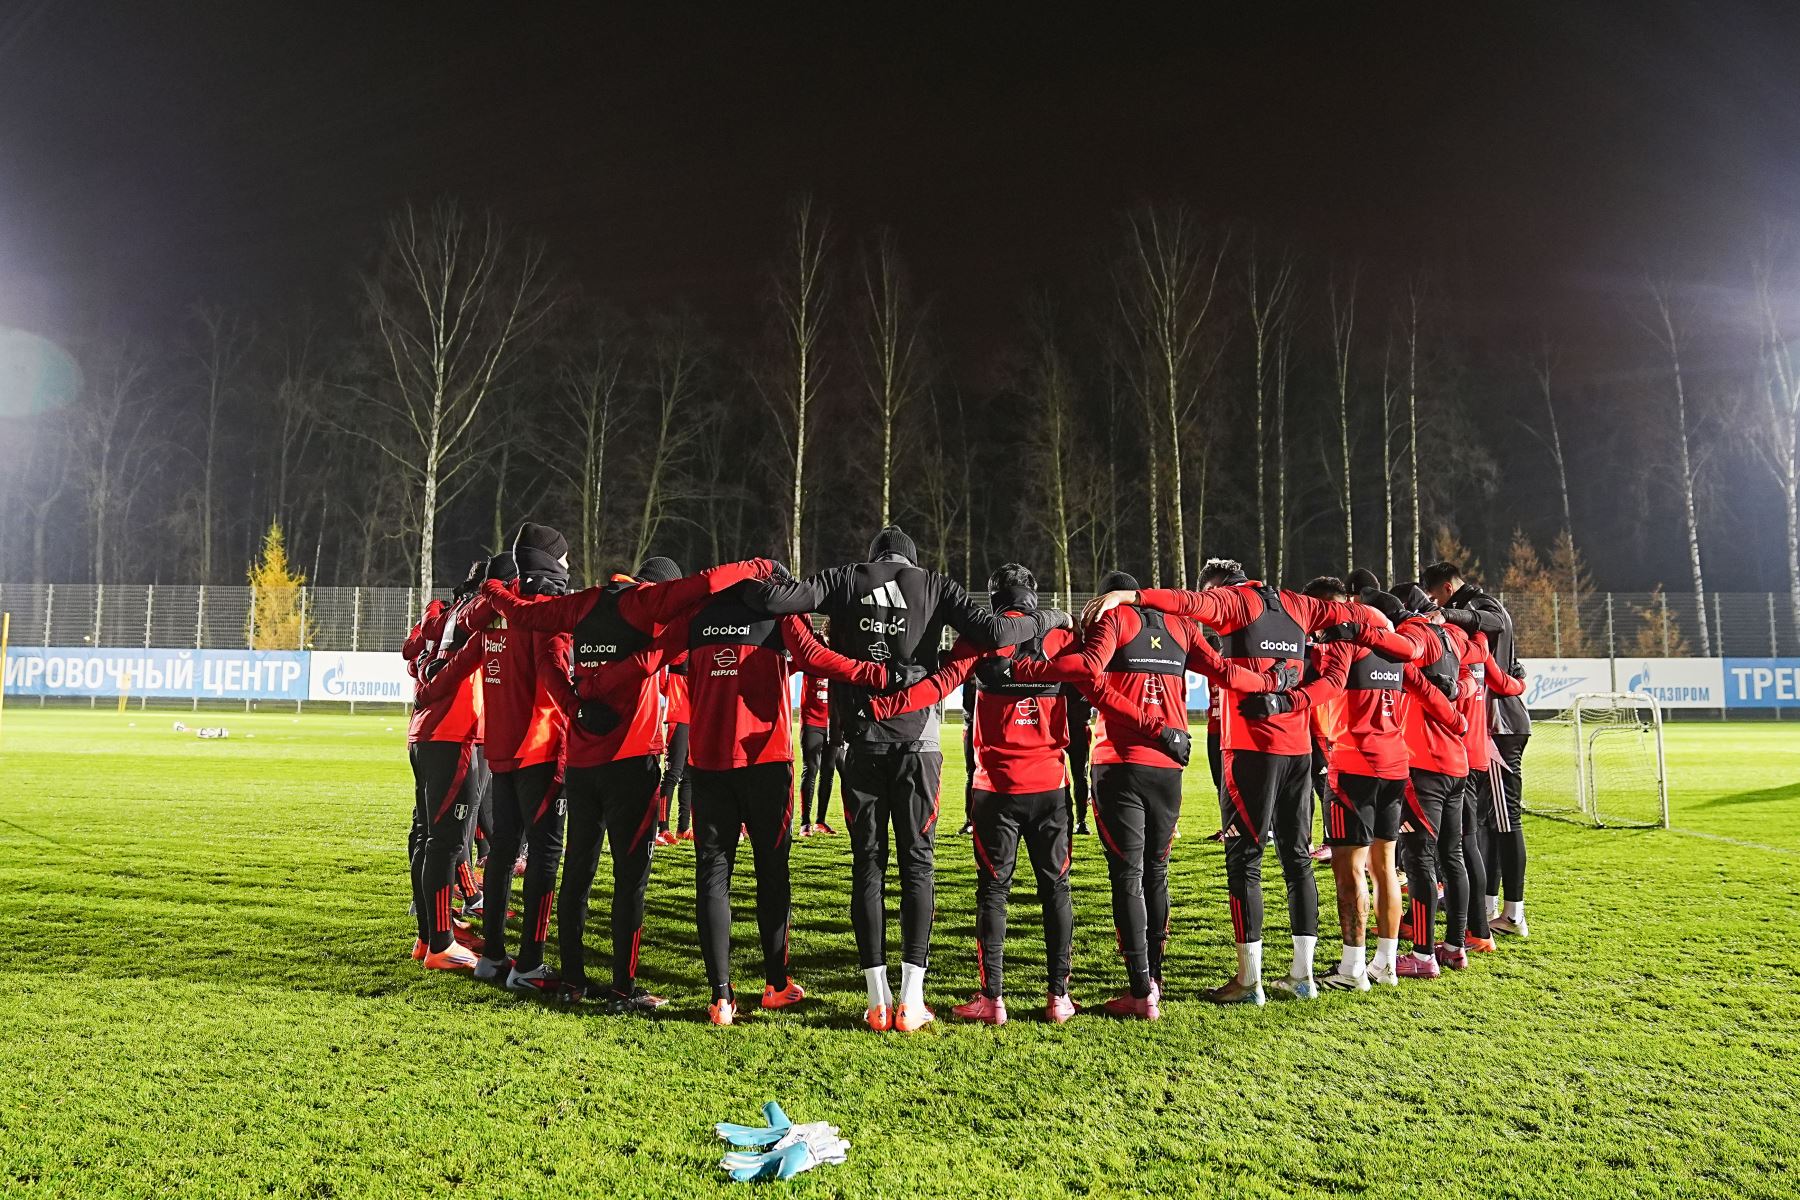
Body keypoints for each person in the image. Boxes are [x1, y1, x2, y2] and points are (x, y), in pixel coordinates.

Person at [741, 525, 1065, 1033]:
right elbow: (999, 635)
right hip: (920, 745)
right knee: (918, 865)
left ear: (876, 557)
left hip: (860, 744)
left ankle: (877, 999)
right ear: (911, 561)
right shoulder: (935, 586)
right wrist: (1045, 618)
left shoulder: (846, 578)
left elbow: (782, 603)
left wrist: (766, 574)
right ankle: (912, 1002)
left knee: (867, 866)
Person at [1082, 558, 1414, 1005]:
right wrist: (1380, 637)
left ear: (1220, 586)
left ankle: (1249, 981)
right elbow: (1361, 628)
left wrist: (1134, 597)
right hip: (1299, 751)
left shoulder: (1235, 602)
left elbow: (1188, 602)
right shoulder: (1298, 604)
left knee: (1245, 863)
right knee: (1297, 861)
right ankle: (1303, 976)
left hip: (1251, 751)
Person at [481, 552, 779, 1010]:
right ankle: (623, 987)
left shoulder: (582, 603)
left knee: (577, 873)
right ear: (658, 588)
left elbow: (522, 616)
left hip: (581, 763)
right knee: (629, 880)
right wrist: (756, 567)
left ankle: (574, 980)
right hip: (631, 764)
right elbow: (704, 584)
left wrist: (495, 589)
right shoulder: (649, 605)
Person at [994, 568, 1289, 1016]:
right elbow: (1226, 671)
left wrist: (1030, 668)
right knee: (1158, 871)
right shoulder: (1182, 625)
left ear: (1108, 597)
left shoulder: (1114, 621)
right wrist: (1276, 682)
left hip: (1120, 763)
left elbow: (1090, 677)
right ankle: (1156, 978)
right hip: (1169, 767)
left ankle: (1139, 991)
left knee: (1128, 875)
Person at [655, 580, 913, 1026]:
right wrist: (879, 674)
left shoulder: (695, 616)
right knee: (772, 872)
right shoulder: (778, 611)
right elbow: (814, 659)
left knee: (713, 875)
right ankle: (775, 984)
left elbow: (657, 652)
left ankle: (721, 998)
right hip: (766, 761)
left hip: (710, 761)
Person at [864, 564, 1103, 1026]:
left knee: (993, 891)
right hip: (1051, 786)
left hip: (994, 788)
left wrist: (889, 704)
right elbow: (1097, 683)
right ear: (1033, 593)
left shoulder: (980, 640)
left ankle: (993, 1000)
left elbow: (938, 685)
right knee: (1056, 889)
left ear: (995, 599)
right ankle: (1059, 998)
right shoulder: (1059, 638)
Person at [458, 524, 577, 995]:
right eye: (564, 561)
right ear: (550, 563)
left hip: (503, 748)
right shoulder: (547, 611)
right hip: (543, 747)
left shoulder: (493, 613)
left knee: (503, 853)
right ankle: (529, 963)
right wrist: (580, 712)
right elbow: (552, 668)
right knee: (546, 855)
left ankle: (491, 956)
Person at [1296, 578, 1409, 993]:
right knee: (1386, 870)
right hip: (1395, 767)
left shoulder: (1338, 649)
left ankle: (1352, 968)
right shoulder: (1396, 652)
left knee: (1350, 872)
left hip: (1354, 769)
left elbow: (1308, 670)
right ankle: (1387, 964)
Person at [1422, 561, 1531, 938]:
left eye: (1434, 598)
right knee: (1484, 823)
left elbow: (1494, 621)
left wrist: (1446, 614)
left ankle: (1514, 915)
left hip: (1499, 726)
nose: (1431, 607)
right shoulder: (1475, 618)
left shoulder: (1484, 606)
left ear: (1448, 590)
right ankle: (1485, 905)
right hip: (1491, 725)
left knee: (1505, 820)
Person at [401, 564, 490, 970]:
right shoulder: (472, 614)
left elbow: (413, 654)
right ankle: (440, 943)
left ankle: (429, 936)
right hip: (451, 735)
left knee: (429, 834)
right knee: (446, 841)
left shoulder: (449, 616)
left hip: (430, 733)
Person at [796, 669, 840, 836]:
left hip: (833, 724)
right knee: (811, 770)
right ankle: (805, 822)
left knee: (828, 772)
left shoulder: (839, 656)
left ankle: (820, 821)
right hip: (812, 722)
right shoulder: (811, 657)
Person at [655, 655, 693, 845]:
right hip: (678, 715)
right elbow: (662, 679)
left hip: (695, 717)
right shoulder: (679, 650)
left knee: (689, 776)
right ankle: (662, 829)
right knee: (672, 774)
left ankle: (683, 828)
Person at [1065, 691, 1094, 835]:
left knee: (1080, 777)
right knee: (1079, 776)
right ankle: (1079, 821)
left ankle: (1081, 821)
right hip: (1059, 726)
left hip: (1077, 728)